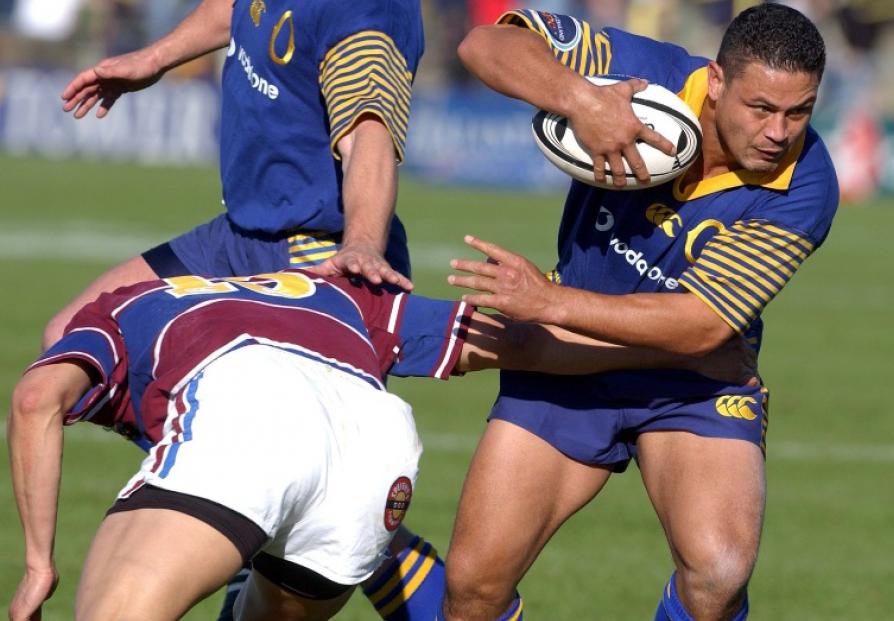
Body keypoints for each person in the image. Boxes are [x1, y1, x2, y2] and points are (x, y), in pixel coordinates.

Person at [7, 270, 754, 621]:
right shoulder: (334, 295)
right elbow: (516, 342)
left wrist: (39, 564)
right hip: (373, 446)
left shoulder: (115, 315)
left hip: (246, 410)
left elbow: (38, 398)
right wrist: (671, 353)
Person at [442, 4, 838, 621]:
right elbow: (485, 46)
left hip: (691, 379)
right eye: (761, 108)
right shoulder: (649, 74)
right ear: (717, 83)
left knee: (718, 574)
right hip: (566, 359)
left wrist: (549, 303)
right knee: (473, 588)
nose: (779, 132)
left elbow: (703, 324)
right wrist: (583, 100)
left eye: (799, 111)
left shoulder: (808, 183)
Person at [53, 1, 442, 618]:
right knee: (72, 343)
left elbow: (369, 128)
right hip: (239, 233)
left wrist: (361, 243)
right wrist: (152, 58)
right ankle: (266, 513)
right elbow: (236, 8)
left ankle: (361, 542)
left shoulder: (364, 11)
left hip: (312, 249)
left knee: (311, 478)